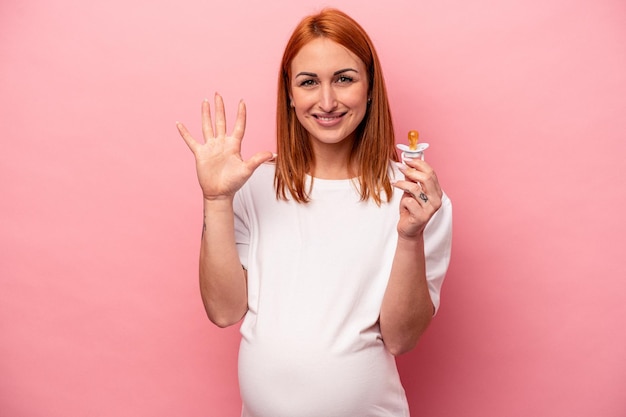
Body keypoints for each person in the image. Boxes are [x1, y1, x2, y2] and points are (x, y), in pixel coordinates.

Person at [176, 8, 452, 417]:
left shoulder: (416, 197)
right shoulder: (253, 187)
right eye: (308, 82)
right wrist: (217, 201)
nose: (327, 101)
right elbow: (223, 311)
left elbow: (401, 339)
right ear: (289, 93)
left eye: (344, 78)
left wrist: (410, 236)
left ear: (370, 86)